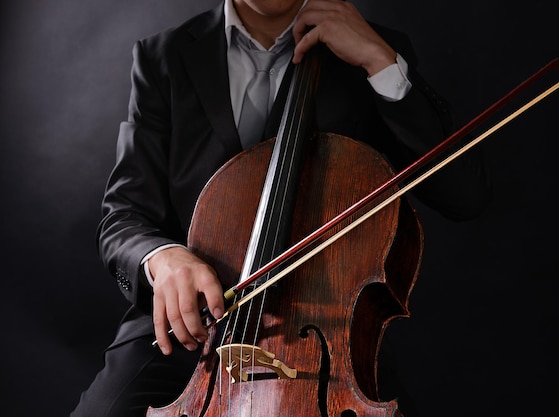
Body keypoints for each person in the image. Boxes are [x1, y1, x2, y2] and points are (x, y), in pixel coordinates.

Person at [71, 0, 491, 416]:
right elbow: (123, 215)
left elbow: (464, 195)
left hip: (327, 338)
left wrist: (380, 61)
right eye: (379, 57)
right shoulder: (163, 56)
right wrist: (160, 258)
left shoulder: (375, 47)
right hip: (190, 332)